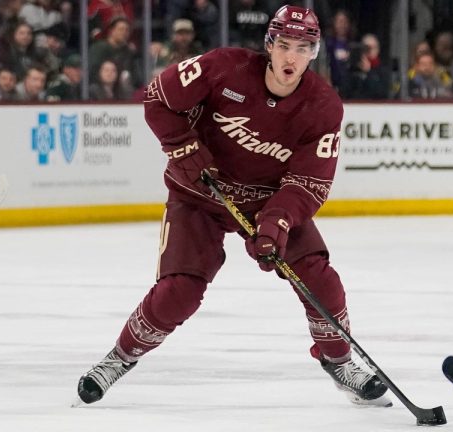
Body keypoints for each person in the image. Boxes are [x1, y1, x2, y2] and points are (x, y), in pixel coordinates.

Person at [76, 4, 392, 409]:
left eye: (303, 47)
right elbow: (158, 97)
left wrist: (276, 222)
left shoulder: (324, 107)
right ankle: (119, 357)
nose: (291, 57)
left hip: (266, 202)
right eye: (284, 45)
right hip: (198, 196)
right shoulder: (223, 68)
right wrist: (183, 147)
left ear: (315, 53)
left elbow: (308, 183)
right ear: (269, 45)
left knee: (318, 275)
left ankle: (340, 361)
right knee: (180, 291)